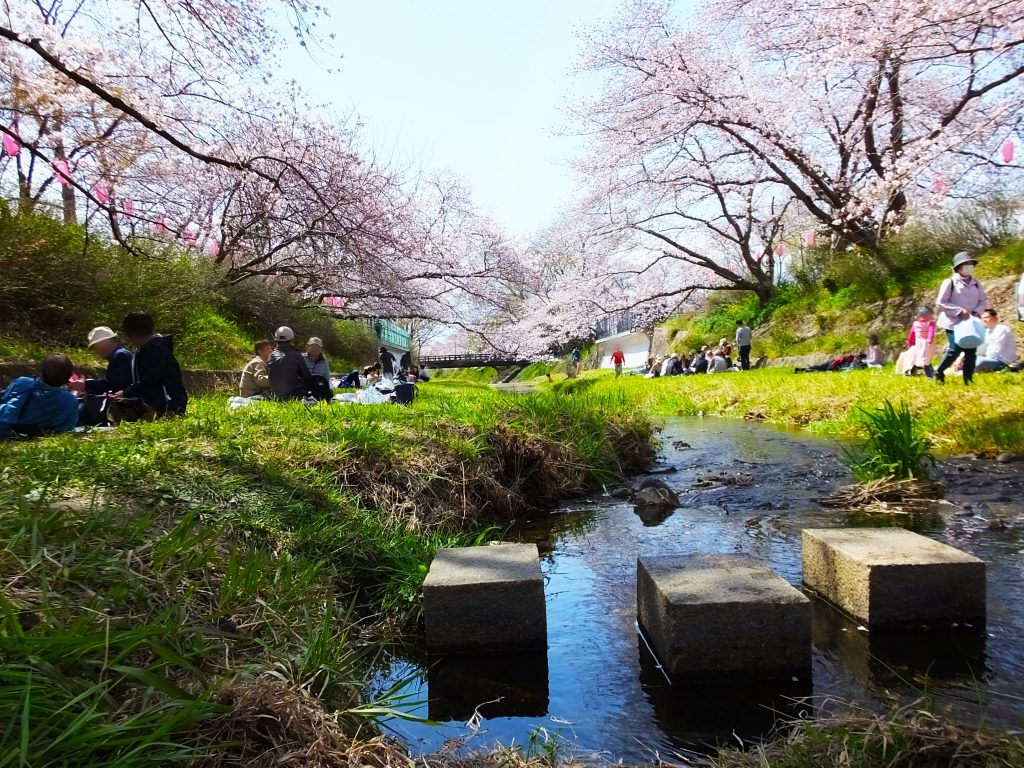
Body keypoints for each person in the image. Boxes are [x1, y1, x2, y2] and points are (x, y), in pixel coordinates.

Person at [118, 312, 188, 416]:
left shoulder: (155, 349)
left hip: (168, 405)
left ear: (130, 334)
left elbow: (150, 380)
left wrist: (125, 393)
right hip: (161, 403)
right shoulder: (151, 348)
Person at [935, 251, 987, 385]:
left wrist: (977, 311)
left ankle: (968, 379)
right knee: (955, 349)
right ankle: (939, 371)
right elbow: (941, 302)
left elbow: (983, 300)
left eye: (971, 264)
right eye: (966, 264)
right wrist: (959, 311)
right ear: (959, 267)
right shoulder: (950, 282)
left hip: (970, 322)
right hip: (953, 322)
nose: (969, 266)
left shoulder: (976, 283)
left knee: (971, 351)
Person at [0, 354, 80, 439]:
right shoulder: (70, 400)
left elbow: (5, 399)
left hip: (9, 425)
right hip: (40, 433)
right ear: (68, 378)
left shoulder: (22, 382)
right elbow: (68, 427)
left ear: (42, 371)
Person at [67, 326, 134, 425]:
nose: (95, 351)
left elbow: (112, 384)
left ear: (104, 343)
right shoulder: (120, 354)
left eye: (95, 346)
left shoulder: (120, 356)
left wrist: (86, 385)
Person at [268, 326, 315, 400]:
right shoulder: (296, 355)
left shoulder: (271, 356)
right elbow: (307, 377)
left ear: (276, 340)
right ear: (292, 339)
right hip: (294, 396)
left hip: (275, 396)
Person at [975, 309, 1018, 373]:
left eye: (986, 317)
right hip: (990, 359)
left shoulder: (1001, 329)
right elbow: (981, 350)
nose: (984, 320)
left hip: (1002, 362)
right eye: (982, 318)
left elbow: (995, 351)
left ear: (995, 319)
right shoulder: (987, 332)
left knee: (980, 362)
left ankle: (966, 371)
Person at [906, 307, 936, 378]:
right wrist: (910, 342)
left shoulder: (930, 323)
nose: (923, 318)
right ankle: (929, 375)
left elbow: (931, 332)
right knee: (924, 359)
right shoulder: (916, 324)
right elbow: (912, 334)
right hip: (922, 343)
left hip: (927, 343)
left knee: (925, 359)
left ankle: (930, 374)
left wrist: (929, 339)